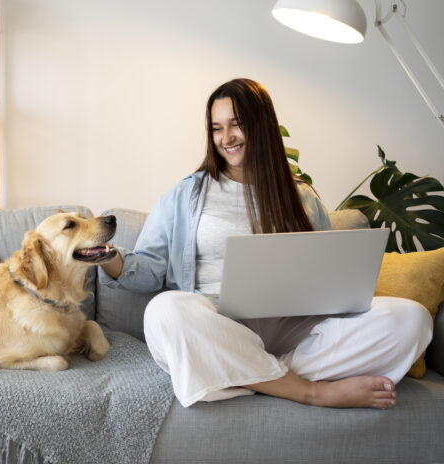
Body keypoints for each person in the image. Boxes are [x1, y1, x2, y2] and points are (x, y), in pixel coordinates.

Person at [99, 78, 432, 409]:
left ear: (261, 126)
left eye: (236, 125)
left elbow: (327, 273)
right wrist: (107, 256)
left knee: (412, 318)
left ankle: (242, 374)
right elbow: (149, 270)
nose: (225, 138)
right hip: (216, 324)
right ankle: (308, 390)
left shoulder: (301, 195)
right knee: (164, 311)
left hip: (291, 328)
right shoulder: (185, 195)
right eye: (216, 128)